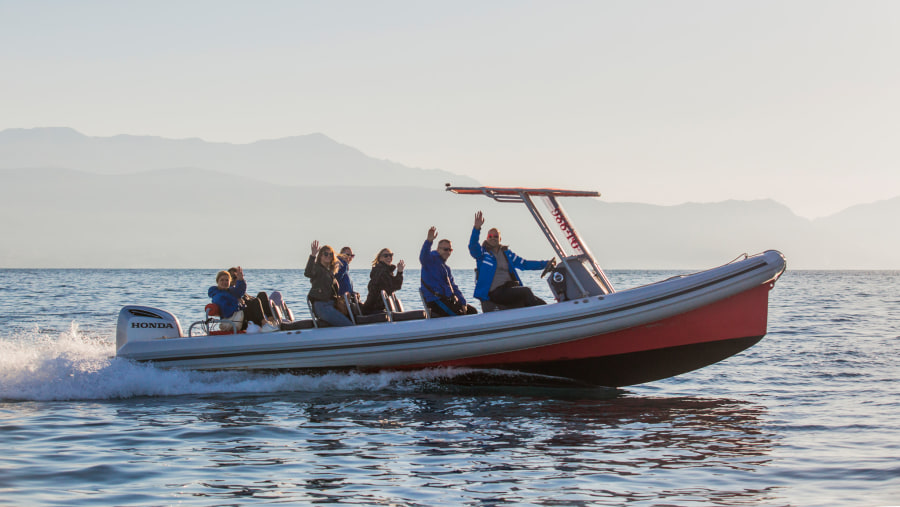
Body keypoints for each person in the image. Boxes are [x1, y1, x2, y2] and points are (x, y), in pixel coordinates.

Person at [469, 211, 551, 309]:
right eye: (490, 236)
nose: (493, 238)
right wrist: (476, 228)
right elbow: (473, 246)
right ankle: (536, 318)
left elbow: (524, 264)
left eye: (496, 236)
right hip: (494, 292)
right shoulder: (482, 254)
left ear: (500, 239)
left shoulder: (507, 254)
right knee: (526, 291)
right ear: (486, 238)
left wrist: (546, 264)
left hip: (509, 289)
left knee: (541, 303)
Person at [420, 226, 478, 317]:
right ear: (438, 249)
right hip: (435, 301)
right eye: (445, 249)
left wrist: (463, 302)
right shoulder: (430, 260)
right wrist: (429, 241)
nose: (447, 252)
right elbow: (423, 256)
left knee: (472, 311)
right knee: (459, 314)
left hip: (448, 300)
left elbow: (453, 287)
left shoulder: (446, 268)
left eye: (449, 250)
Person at [305, 241, 353, 327]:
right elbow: (308, 273)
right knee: (347, 325)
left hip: (331, 304)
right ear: (320, 256)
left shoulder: (329, 271)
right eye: (326, 254)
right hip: (322, 306)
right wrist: (313, 256)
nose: (328, 256)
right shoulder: (317, 268)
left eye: (331, 254)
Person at [362, 248, 406, 314]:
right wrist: (399, 273)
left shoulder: (386, 271)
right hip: (373, 309)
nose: (389, 257)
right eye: (386, 255)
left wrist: (400, 272)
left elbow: (395, 286)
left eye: (391, 255)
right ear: (380, 258)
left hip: (379, 308)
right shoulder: (380, 271)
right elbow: (392, 287)